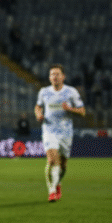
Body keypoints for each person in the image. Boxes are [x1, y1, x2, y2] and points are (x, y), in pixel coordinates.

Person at [34, 64, 85, 202]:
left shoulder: (71, 92)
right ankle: (52, 191)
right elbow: (38, 106)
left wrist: (70, 109)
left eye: (57, 74)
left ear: (63, 77)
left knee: (63, 166)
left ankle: (58, 184)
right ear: (49, 77)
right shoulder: (44, 92)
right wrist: (39, 114)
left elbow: (82, 112)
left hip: (66, 133)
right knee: (51, 160)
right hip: (49, 130)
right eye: (52, 74)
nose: (54, 77)